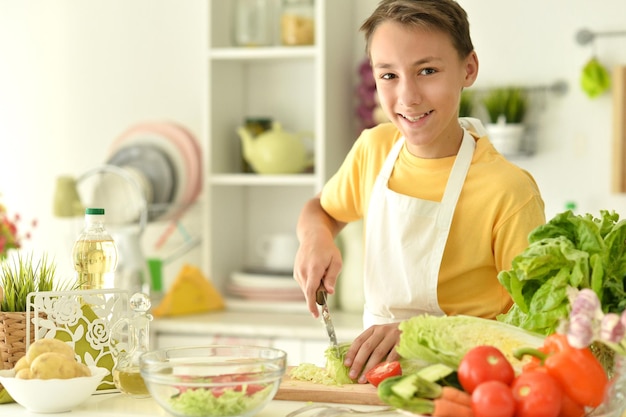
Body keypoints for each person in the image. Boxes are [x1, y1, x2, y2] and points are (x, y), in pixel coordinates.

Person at [293, 0, 546, 383]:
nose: (408, 97)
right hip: (375, 386)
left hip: (470, 392)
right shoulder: (373, 149)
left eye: (427, 71)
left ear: (468, 68)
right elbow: (322, 210)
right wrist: (315, 238)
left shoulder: (509, 191)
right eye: (388, 76)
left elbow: (533, 331)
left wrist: (416, 336)